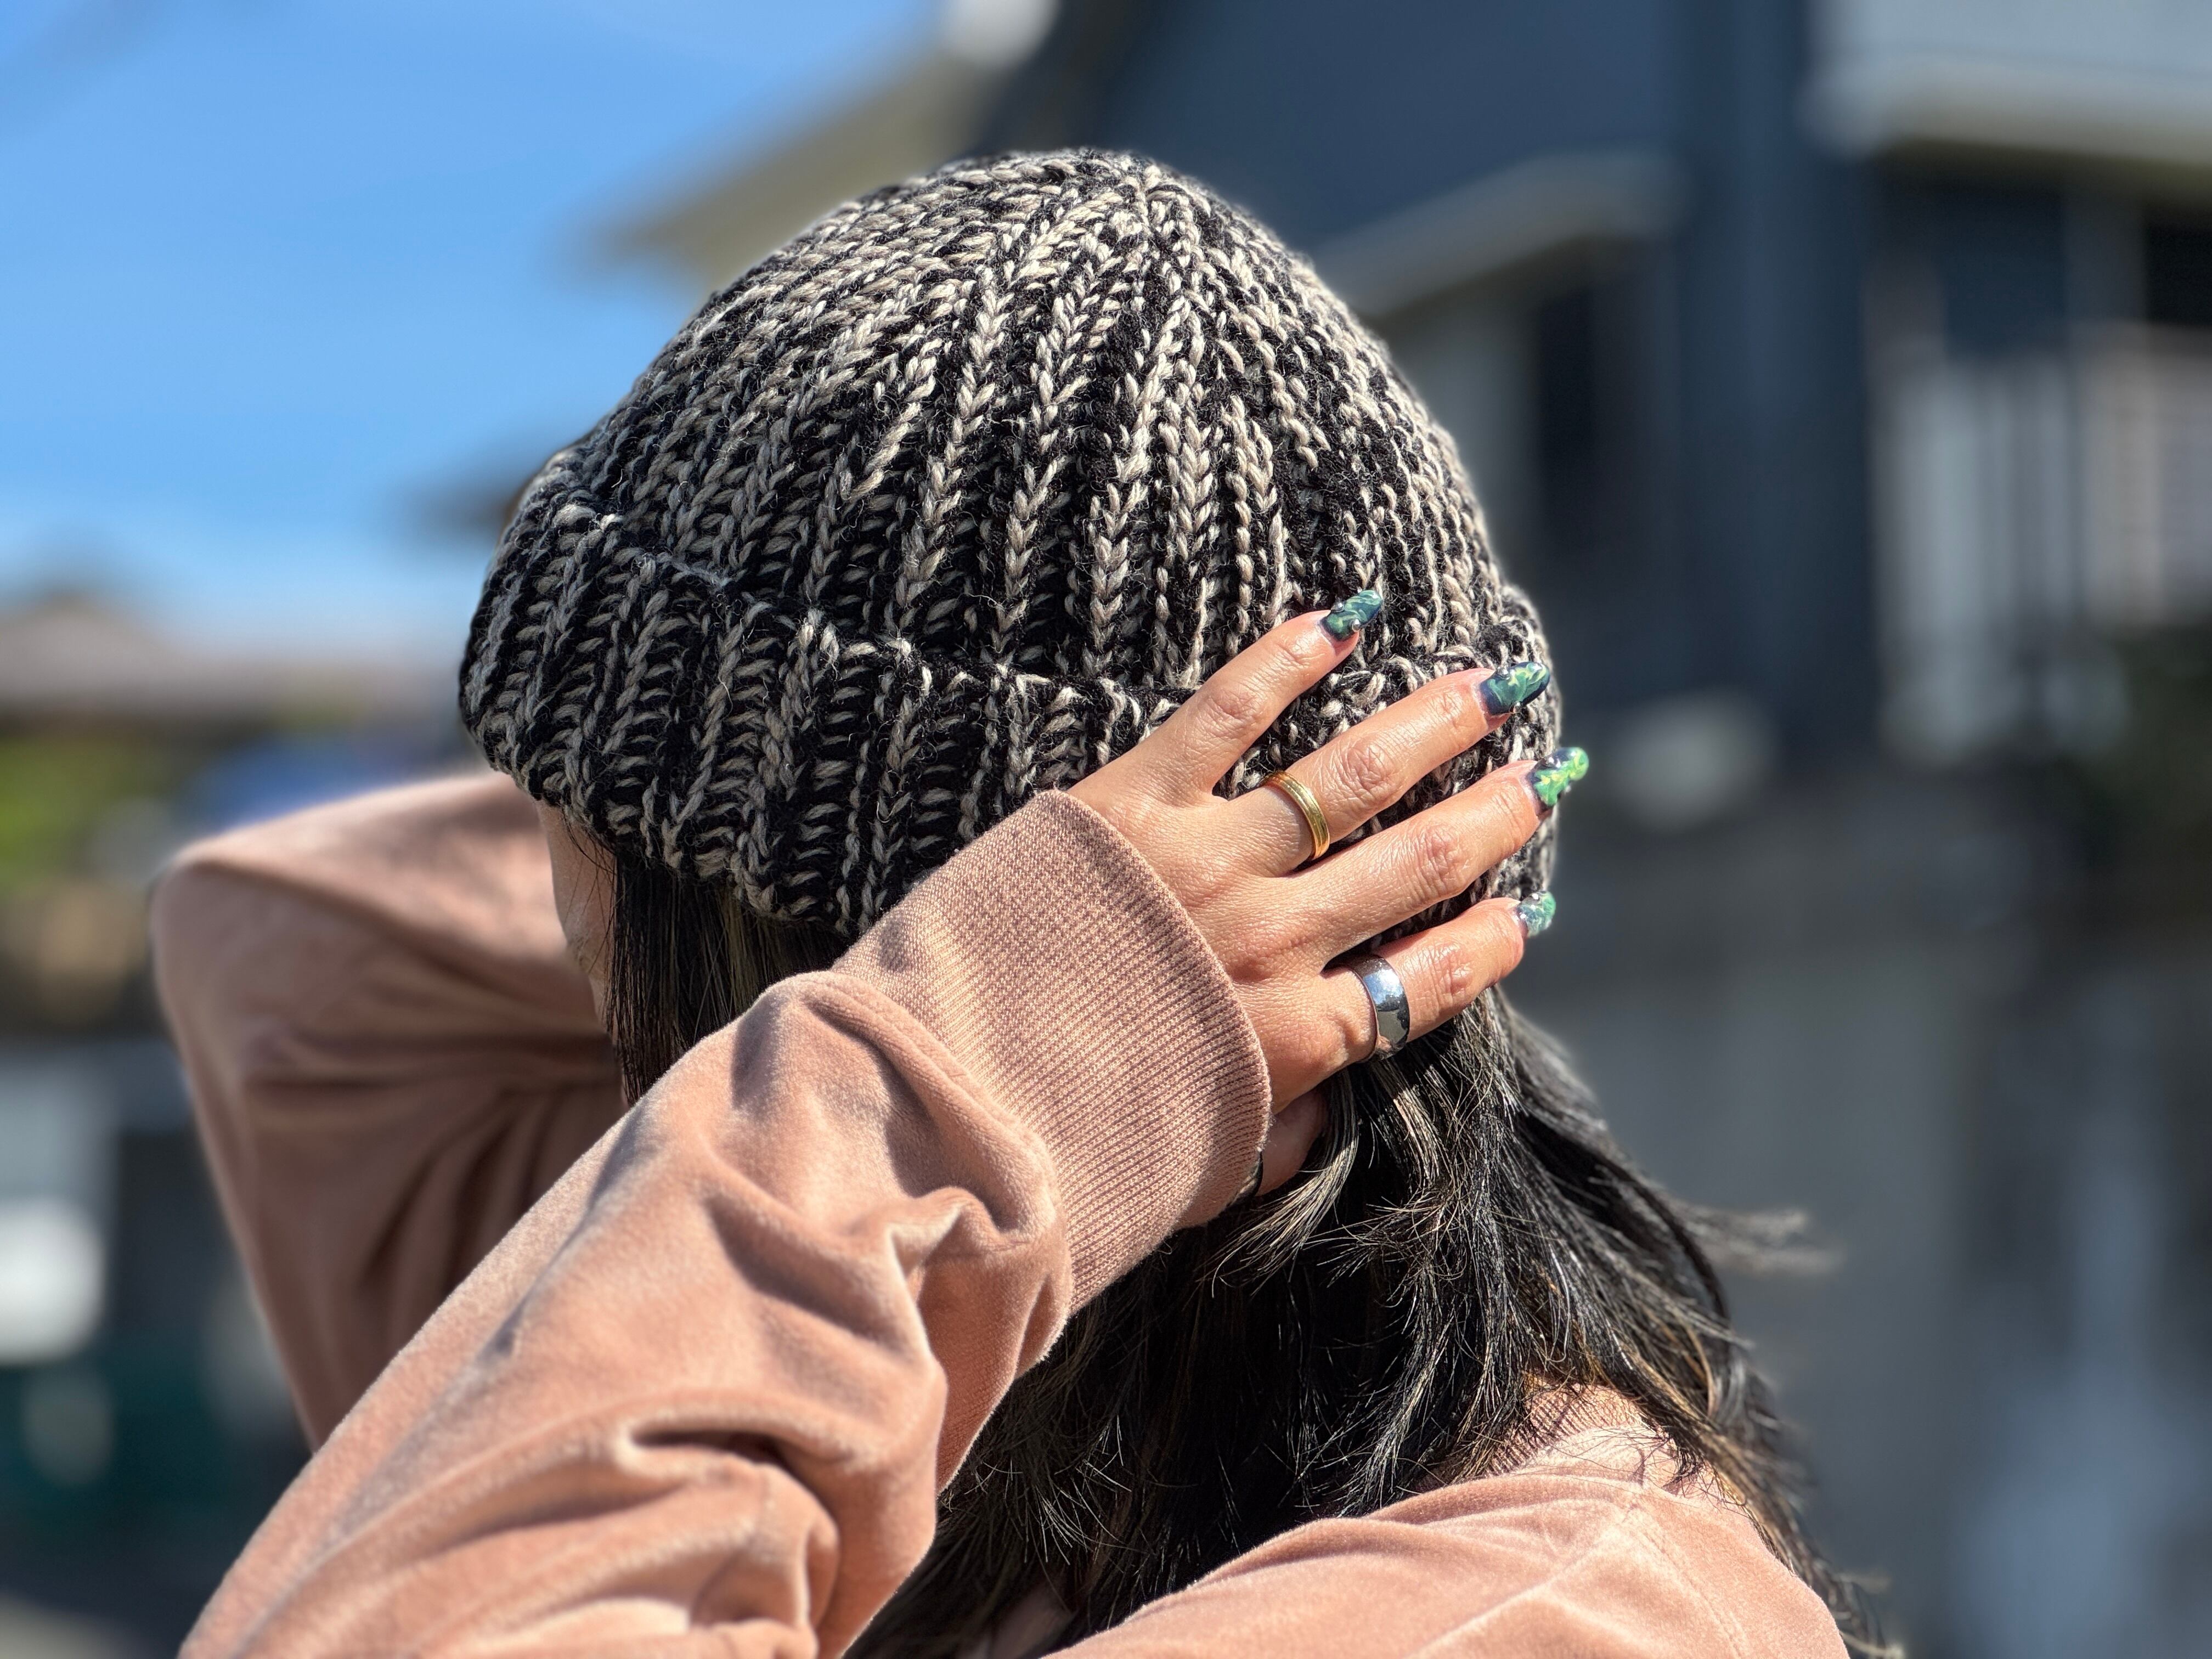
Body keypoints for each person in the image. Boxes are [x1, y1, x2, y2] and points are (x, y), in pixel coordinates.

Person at [153, 151, 1875, 1656]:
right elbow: (284, 940)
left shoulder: (1542, 1618)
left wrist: (961, 1062)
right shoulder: (948, 1409)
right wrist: (993, 1015)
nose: (578, 944)